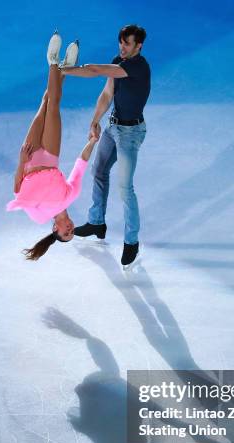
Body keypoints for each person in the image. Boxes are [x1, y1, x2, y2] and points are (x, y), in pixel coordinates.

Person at [61, 24, 150, 267]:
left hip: (131, 134)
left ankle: (131, 241)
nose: (122, 47)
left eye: (127, 44)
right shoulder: (118, 62)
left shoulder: (138, 67)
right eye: (120, 42)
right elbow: (107, 94)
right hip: (113, 127)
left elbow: (95, 70)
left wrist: (65, 70)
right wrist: (94, 120)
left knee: (125, 188)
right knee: (98, 170)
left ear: (138, 46)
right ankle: (97, 222)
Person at [6, 32, 98, 261]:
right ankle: (54, 61)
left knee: (45, 102)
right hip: (49, 154)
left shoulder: (38, 217)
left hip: (28, 158)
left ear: (55, 229)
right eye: (73, 232)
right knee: (54, 105)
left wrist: (21, 162)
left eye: (66, 233)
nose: (71, 229)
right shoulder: (71, 195)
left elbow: (18, 191)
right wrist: (92, 142)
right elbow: (80, 165)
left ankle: (62, 67)